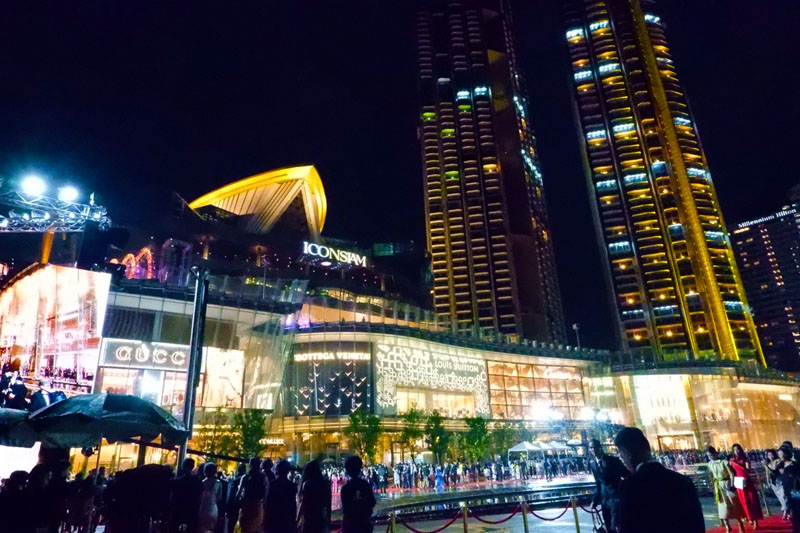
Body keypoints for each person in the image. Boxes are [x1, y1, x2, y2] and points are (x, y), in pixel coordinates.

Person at [614, 427, 704, 533]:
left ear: (626, 452)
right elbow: (697, 525)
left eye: (621, 455)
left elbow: (628, 528)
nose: (622, 460)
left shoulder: (629, 487)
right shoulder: (682, 481)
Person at [587, 439, 630, 533]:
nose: (593, 450)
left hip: (616, 499)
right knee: (608, 526)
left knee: (615, 526)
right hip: (604, 501)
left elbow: (626, 475)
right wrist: (595, 500)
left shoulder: (612, 460)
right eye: (591, 448)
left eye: (595, 447)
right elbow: (598, 483)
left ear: (600, 447)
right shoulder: (592, 463)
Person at [707, 446, 745, 533]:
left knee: (733, 504)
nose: (711, 457)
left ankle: (740, 523)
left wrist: (731, 484)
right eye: (709, 456)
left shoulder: (724, 462)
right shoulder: (710, 464)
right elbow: (711, 475)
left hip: (727, 483)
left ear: (715, 453)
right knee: (722, 506)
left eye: (712, 455)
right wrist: (712, 484)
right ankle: (727, 526)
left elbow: (731, 474)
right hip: (718, 486)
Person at [730, 443, 763, 528]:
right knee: (744, 502)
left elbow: (748, 470)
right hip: (739, 483)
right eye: (734, 450)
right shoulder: (732, 461)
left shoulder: (745, 459)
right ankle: (749, 518)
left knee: (752, 500)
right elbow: (732, 473)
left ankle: (755, 520)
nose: (736, 451)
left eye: (737, 449)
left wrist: (747, 463)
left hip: (747, 481)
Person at [340, 456, 376, 533]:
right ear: (360, 469)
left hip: (351, 526)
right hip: (364, 523)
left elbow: (345, 509)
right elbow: (372, 502)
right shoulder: (365, 485)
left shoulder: (346, 488)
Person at [169, 457, 204, 533]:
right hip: (192, 510)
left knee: (173, 528)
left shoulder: (177, 481)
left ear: (183, 466)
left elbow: (172, 497)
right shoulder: (198, 482)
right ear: (192, 467)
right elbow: (200, 498)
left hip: (178, 509)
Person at [297, 459, 331, 533]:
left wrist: (297, 520)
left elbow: (303, 503)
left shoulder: (307, 484)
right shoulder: (324, 484)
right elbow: (328, 505)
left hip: (309, 518)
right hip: (320, 518)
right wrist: (328, 522)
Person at [264, 460, 297, 533]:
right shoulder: (292, 486)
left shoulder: (272, 485)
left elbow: (268, 504)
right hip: (287, 519)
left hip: (274, 519)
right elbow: (293, 505)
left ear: (277, 470)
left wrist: (266, 521)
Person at [237, 457, 266, 533]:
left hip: (246, 505)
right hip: (257, 505)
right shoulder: (263, 478)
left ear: (250, 465)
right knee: (255, 528)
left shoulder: (245, 477)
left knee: (245, 528)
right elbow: (266, 495)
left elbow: (238, 494)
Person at [198, 463, 223, 533]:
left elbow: (199, 498)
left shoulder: (202, 482)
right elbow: (219, 498)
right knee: (211, 530)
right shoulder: (218, 483)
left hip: (202, 509)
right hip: (213, 510)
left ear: (205, 471)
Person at [766, 449, 789, 520]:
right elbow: (767, 474)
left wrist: (768, 466)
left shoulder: (778, 461)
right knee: (780, 498)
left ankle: (785, 512)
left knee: (783, 496)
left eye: (771, 454)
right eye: (769, 455)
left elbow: (775, 470)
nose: (770, 456)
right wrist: (768, 482)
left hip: (780, 481)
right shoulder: (768, 464)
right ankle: (787, 512)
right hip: (774, 483)